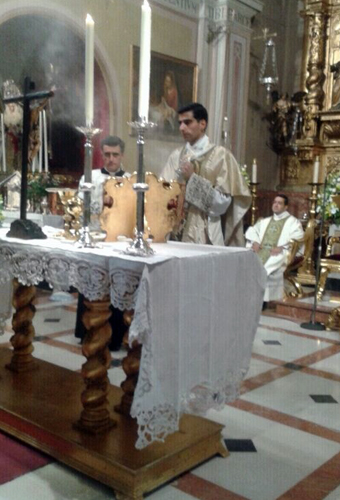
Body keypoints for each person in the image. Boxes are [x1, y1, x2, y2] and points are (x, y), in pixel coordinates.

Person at [161, 102, 251, 246]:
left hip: (205, 237)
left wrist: (192, 179)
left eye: (187, 122)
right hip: (174, 235)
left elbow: (221, 205)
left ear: (202, 124)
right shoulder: (176, 156)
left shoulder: (220, 156)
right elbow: (162, 192)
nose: (181, 128)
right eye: (180, 123)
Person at [75, 135, 130, 351]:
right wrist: (101, 202)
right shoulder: (89, 177)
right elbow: (82, 207)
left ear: (122, 155)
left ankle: (116, 335)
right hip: (95, 238)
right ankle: (87, 331)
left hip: (119, 240)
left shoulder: (131, 180)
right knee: (92, 285)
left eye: (115, 154)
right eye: (106, 154)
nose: (111, 159)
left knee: (117, 286)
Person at [245, 194, 304, 303]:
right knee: (247, 263)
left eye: (279, 203)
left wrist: (282, 247)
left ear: (286, 207)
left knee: (266, 267)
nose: (276, 205)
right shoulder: (265, 221)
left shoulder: (293, 222)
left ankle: (263, 300)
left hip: (281, 252)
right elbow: (253, 231)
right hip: (261, 250)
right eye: (274, 202)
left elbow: (299, 236)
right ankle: (248, 297)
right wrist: (255, 242)